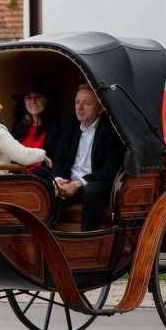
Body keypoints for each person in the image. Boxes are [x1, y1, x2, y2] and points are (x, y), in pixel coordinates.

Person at [52, 84, 126, 231]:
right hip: (69, 182)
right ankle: (46, 240)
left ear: (100, 109)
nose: (79, 107)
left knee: (92, 191)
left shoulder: (110, 129)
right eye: (77, 102)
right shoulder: (69, 123)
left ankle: (87, 241)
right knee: (44, 188)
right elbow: (59, 159)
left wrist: (78, 184)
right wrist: (58, 181)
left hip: (96, 182)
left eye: (86, 103)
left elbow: (111, 168)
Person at [10, 78, 60, 174]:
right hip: (20, 178)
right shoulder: (18, 127)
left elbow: (53, 163)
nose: (33, 101)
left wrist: (28, 177)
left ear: (47, 99)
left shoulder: (56, 127)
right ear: (24, 102)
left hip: (42, 179)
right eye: (28, 97)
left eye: (38, 96)